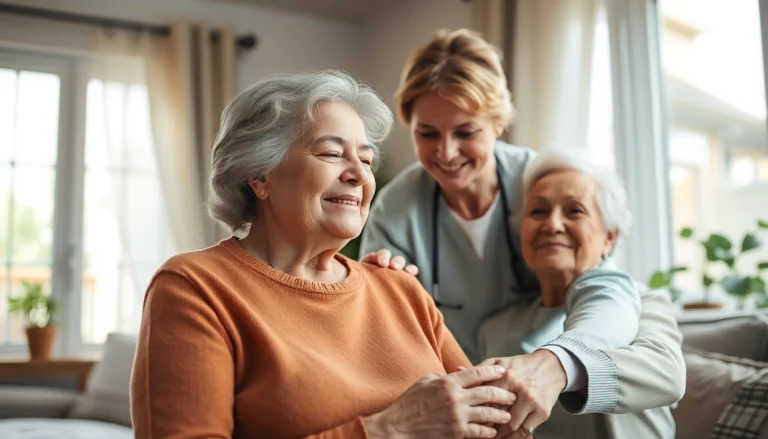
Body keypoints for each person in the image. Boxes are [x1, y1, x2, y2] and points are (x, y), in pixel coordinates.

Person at [129, 70, 521, 439]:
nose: (358, 174)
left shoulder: (401, 289)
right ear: (260, 176)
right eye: (332, 154)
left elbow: (491, 422)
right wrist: (391, 428)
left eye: (365, 160)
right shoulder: (195, 287)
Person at [359, 28, 685, 436]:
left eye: (466, 132)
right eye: (427, 134)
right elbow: (383, 331)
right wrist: (382, 288)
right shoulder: (396, 209)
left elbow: (601, 283)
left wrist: (557, 363)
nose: (446, 153)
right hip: (469, 391)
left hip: (556, 361)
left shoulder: (544, 183)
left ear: (498, 124)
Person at [478, 149, 675, 438]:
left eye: (574, 211)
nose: (553, 225)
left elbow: (667, 377)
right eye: (539, 211)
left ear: (609, 237)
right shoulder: (494, 329)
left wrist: (558, 367)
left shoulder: (642, 302)